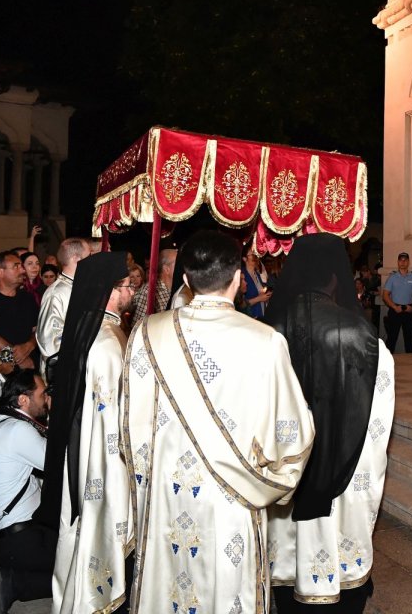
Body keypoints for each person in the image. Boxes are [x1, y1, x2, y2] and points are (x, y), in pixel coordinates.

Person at [122, 230, 314, 614]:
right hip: (234, 495)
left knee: (170, 586)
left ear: (186, 279)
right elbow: (291, 430)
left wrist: (146, 483)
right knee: (228, 587)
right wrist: (274, 481)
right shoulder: (264, 340)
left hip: (169, 493)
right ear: (239, 279)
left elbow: (131, 426)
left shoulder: (147, 333)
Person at [266, 234, 394, 613]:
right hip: (344, 469)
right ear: (336, 277)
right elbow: (376, 424)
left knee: (286, 567)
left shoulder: (266, 334)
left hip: (287, 477)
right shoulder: (364, 338)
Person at [42, 252, 135, 614]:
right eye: (127, 286)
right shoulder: (107, 341)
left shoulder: (87, 325)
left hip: (82, 447)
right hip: (101, 455)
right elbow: (117, 414)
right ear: (111, 290)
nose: (131, 292)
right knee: (98, 528)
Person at [0, 368, 55, 613]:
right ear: (23, 400)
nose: (46, 399)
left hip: (3, 537)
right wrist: (58, 415)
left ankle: (12, 577)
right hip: (22, 540)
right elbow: (60, 464)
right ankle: (14, 584)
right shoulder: (18, 430)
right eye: (42, 394)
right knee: (81, 569)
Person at [37, 238, 91, 362]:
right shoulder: (56, 294)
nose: (92, 261)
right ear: (76, 259)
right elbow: (49, 343)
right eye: (89, 256)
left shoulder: (77, 287)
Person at [0, 251, 40, 367]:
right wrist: (15, 357)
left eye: (21, 266)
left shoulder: (27, 297)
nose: (23, 270)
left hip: (31, 364)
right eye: (16, 266)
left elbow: (37, 329)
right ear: (0, 272)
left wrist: (29, 345)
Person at [381, 252, 412, 353]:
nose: (403, 262)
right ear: (398, 262)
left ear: (408, 262)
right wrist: (394, 307)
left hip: (409, 310)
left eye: (405, 260)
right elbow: (385, 295)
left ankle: (411, 362)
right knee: (391, 339)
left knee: (409, 340)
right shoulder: (392, 277)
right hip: (395, 310)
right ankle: (387, 361)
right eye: (401, 260)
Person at [130, 247, 176, 327]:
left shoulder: (177, 288)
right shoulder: (150, 290)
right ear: (166, 269)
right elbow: (137, 326)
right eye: (177, 263)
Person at [242, 249, 272, 318]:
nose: (255, 257)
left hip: (261, 315)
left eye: (255, 254)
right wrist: (259, 298)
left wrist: (266, 295)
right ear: (244, 259)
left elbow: (260, 293)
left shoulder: (257, 274)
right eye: (252, 255)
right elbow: (241, 305)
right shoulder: (242, 276)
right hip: (250, 317)